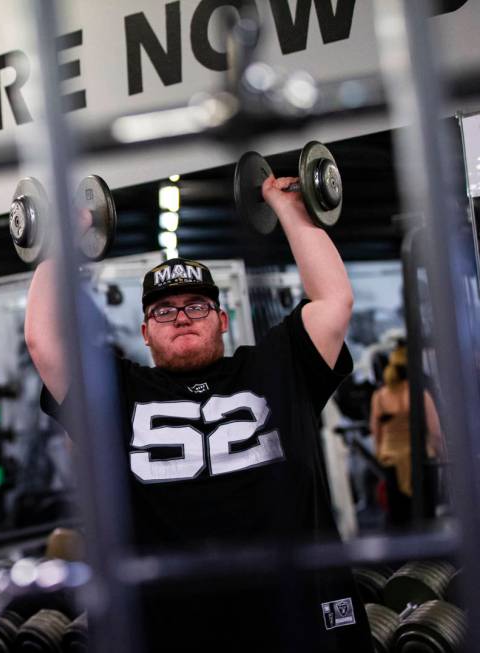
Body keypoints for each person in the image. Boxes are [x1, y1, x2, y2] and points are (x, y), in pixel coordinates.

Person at [24, 176, 373, 652]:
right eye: (164, 312)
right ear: (146, 332)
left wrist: (288, 208)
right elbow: (45, 341)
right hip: (177, 629)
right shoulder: (119, 392)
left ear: (222, 320)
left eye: (196, 306)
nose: (182, 316)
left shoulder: (277, 366)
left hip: (303, 621)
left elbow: (334, 301)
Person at [369, 341, 442, 526]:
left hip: (392, 461)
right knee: (426, 516)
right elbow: (435, 431)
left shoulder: (380, 396)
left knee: (400, 518)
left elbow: (375, 432)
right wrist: (441, 454)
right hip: (421, 459)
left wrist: (381, 455)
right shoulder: (420, 394)